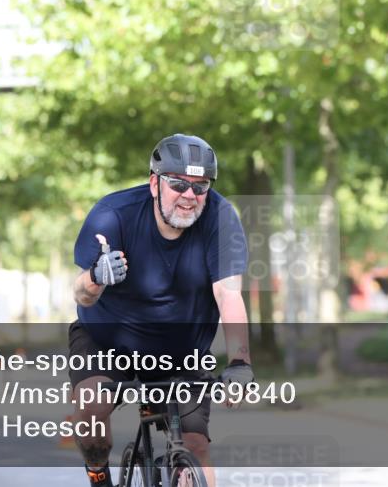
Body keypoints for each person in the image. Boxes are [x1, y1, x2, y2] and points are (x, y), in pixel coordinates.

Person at [70, 134, 253, 487]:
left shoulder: (220, 218)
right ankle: (98, 476)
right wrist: (95, 277)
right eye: (178, 184)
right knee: (91, 412)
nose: (189, 195)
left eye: (200, 186)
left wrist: (240, 363)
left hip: (181, 350)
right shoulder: (112, 215)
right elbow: (81, 296)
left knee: (195, 444)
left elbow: (228, 294)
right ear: (155, 183)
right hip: (107, 342)